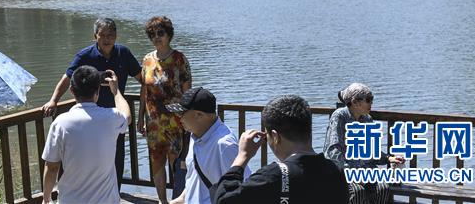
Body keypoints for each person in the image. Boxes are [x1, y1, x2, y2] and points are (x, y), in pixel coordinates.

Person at [42, 18, 142, 186]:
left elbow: (142, 78)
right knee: (89, 158)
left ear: (116, 36)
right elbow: (67, 78)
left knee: (117, 159)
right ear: (95, 36)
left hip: (114, 118)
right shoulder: (85, 55)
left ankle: (114, 193)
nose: (107, 39)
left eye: (110, 35)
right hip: (89, 117)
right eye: (102, 35)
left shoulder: (123, 53)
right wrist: (53, 100)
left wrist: (153, 97)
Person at [211, 94, 348, 203]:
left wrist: (242, 156)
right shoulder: (337, 171)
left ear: (275, 137)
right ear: (309, 130)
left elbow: (223, 199)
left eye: (267, 136)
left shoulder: (274, 176)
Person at [41, 66, 131, 204]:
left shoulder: (61, 123)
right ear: (97, 91)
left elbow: (52, 167)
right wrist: (116, 91)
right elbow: (127, 116)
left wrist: (46, 199)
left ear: (72, 90)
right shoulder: (111, 117)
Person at [137, 16, 192, 204]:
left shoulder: (179, 59)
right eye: (152, 34)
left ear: (169, 34)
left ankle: (178, 200)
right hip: (154, 122)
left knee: (177, 163)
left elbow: (187, 92)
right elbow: (144, 90)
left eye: (160, 33)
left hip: (176, 121)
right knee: (157, 162)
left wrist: (188, 119)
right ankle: (162, 201)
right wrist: (140, 117)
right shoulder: (147, 60)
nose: (156, 37)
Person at [324, 83, 404, 204]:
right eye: (368, 100)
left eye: (372, 99)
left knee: (383, 188)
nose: (371, 103)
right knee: (357, 191)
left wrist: (388, 158)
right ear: (355, 102)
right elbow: (333, 151)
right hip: (343, 173)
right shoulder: (340, 116)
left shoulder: (367, 119)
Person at [168, 88, 247, 204]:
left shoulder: (225, 145)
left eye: (182, 113)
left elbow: (242, 190)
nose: (179, 118)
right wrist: (180, 200)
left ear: (199, 115)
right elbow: (195, 177)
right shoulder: (196, 134)